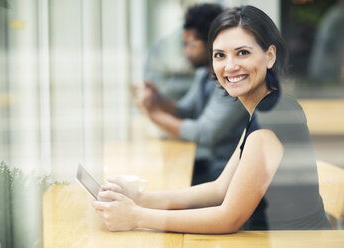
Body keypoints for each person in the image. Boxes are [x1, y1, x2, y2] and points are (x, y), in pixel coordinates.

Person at [93, 5, 331, 233]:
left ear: (269, 56)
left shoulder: (271, 121)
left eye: (243, 53)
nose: (230, 66)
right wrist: (141, 199)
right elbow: (219, 189)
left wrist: (136, 217)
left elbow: (228, 218)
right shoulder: (268, 107)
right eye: (220, 55)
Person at [137, 3, 249, 185]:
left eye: (191, 45)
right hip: (211, 165)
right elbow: (186, 111)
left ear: (213, 43)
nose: (185, 51)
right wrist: (158, 99)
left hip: (228, 174)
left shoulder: (234, 82)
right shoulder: (204, 73)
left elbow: (205, 133)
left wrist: (154, 114)